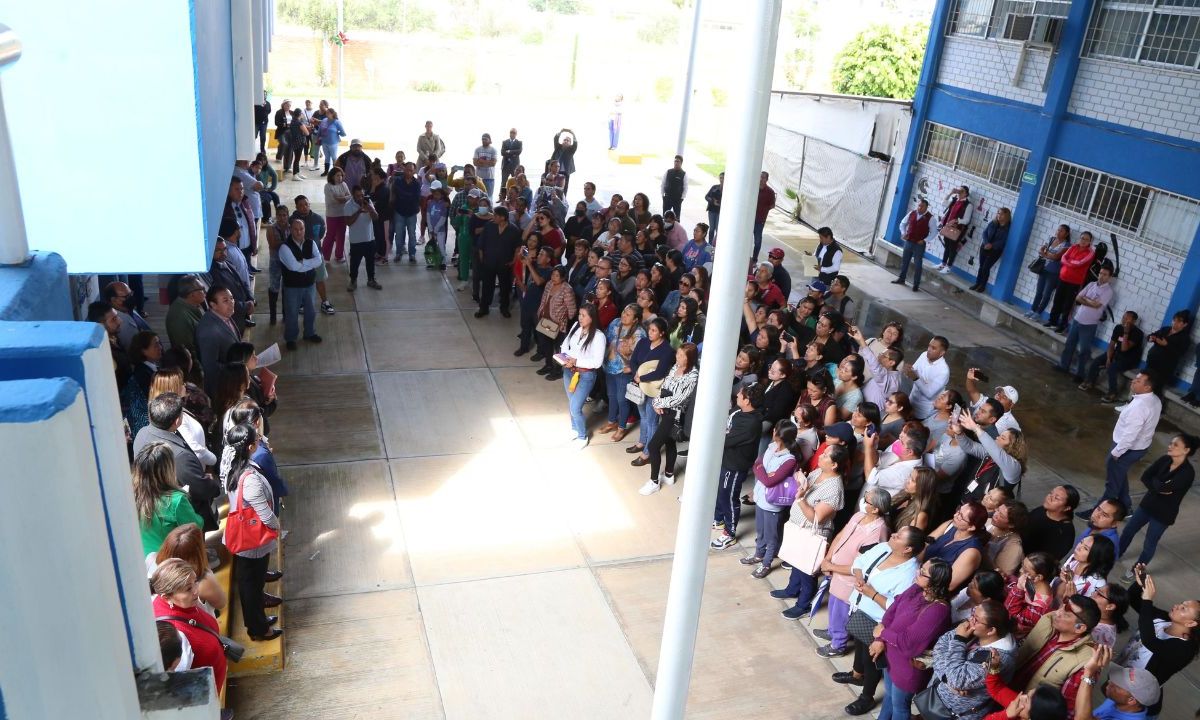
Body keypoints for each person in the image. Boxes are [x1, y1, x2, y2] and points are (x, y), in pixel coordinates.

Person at [831, 526, 925, 710]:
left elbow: (898, 608)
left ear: (907, 549)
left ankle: (867, 697)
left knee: (871, 659)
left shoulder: (908, 574)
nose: (892, 535)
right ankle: (857, 674)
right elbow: (859, 562)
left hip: (879, 621)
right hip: (860, 609)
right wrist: (859, 578)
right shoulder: (884, 548)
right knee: (859, 645)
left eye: (898, 537)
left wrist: (871, 593)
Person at [864, 558, 953, 719]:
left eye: (923, 572)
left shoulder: (938, 610)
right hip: (890, 655)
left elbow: (909, 643)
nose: (917, 572)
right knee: (889, 697)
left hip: (908, 667)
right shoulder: (917, 588)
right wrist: (880, 640)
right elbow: (892, 610)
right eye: (921, 568)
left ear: (935, 581)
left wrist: (883, 634)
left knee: (900, 707)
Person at [772, 444, 848, 618]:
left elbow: (816, 518)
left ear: (834, 464)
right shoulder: (818, 473)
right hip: (799, 529)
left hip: (812, 533)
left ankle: (804, 604)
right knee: (795, 561)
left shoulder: (834, 488)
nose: (820, 455)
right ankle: (792, 589)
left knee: (807, 569)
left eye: (826, 455)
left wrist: (800, 498)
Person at [222, 422, 282, 641]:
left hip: (244, 541)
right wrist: (276, 525)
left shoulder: (233, 465)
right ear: (248, 447)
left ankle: (257, 621)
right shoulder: (250, 480)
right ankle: (258, 629)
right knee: (252, 587)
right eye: (256, 439)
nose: (259, 441)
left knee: (251, 585)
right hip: (253, 543)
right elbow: (265, 514)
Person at [1118, 567, 1200, 719]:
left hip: (1138, 702)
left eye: (1183, 608)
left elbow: (1150, 641)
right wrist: (1140, 583)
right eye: (1181, 603)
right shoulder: (1164, 618)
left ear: (1191, 623)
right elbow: (1134, 599)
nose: (1177, 605)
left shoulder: (1185, 649)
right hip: (1120, 681)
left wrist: (1148, 600)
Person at [1078, 371, 1163, 518]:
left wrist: (1117, 452)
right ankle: (1126, 506)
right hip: (1138, 447)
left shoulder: (1140, 407)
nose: (1133, 381)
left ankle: (1098, 512)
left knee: (1112, 485)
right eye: (1135, 378)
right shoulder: (1154, 400)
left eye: (1138, 381)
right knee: (1119, 475)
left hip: (1126, 448)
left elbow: (1130, 435)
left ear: (1147, 387)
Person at [1118, 433, 1199, 574]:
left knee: (1149, 544)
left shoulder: (1187, 473)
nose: (1170, 446)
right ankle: (1116, 554)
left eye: (1175, 445)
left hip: (1163, 514)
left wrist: (1157, 484)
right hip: (1147, 505)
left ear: (1186, 450)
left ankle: (1136, 571)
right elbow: (1146, 477)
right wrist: (1159, 486)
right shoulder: (1164, 460)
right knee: (1128, 530)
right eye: (1171, 443)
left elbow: (1162, 486)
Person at [930, 599, 1019, 720]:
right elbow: (941, 645)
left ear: (991, 630)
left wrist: (959, 639)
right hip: (938, 699)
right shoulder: (978, 632)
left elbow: (956, 679)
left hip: (955, 713)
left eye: (976, 619)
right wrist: (945, 678)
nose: (970, 620)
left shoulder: (995, 657)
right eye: (973, 614)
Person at [1010, 595, 1100, 714]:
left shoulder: (1086, 662)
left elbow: (1065, 709)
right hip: (1005, 687)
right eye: (1061, 607)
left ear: (1079, 628)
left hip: (1024, 711)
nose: (1057, 613)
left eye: (1066, 614)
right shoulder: (1048, 620)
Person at [151, 559, 228, 690]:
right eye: (188, 589)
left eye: (195, 582)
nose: (196, 591)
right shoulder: (175, 636)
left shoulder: (183, 603)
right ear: (166, 597)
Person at [741, 421, 802, 577]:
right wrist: (763, 471)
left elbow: (769, 481)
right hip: (760, 497)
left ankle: (766, 563)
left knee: (771, 536)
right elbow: (757, 464)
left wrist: (762, 471)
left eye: (775, 430)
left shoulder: (789, 460)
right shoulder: (771, 447)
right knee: (760, 531)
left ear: (780, 436)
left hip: (772, 503)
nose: (773, 431)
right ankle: (758, 555)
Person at [638, 343, 699, 494]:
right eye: (677, 353)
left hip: (675, 413)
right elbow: (665, 386)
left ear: (689, 358)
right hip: (664, 409)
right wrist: (656, 401)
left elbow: (680, 399)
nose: (677, 357)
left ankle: (654, 482)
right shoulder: (675, 367)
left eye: (681, 355)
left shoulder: (693, 375)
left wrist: (658, 402)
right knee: (669, 441)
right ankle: (669, 474)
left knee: (653, 446)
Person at [712, 384, 767, 548]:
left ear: (747, 400)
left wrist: (722, 434)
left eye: (740, 395)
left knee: (728, 497)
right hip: (726, 460)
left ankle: (729, 533)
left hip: (735, 465)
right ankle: (719, 519)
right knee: (720, 492)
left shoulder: (751, 423)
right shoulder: (739, 412)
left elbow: (726, 440)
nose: (737, 396)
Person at [132, 441, 205, 556]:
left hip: (145, 562)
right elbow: (196, 526)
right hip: (172, 564)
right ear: (168, 470)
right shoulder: (177, 501)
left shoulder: (133, 497)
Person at [1054, 261, 1115, 381]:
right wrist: (1089, 301)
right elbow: (1077, 298)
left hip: (1089, 324)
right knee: (1069, 345)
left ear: (1110, 277)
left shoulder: (1108, 291)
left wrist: (1086, 299)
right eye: (1100, 273)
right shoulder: (1091, 284)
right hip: (1077, 319)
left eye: (1105, 274)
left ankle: (1079, 374)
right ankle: (1063, 366)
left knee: (1084, 350)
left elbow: (1097, 305)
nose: (1101, 276)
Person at [628, 318, 677, 462]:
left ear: (662, 333)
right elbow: (633, 360)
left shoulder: (667, 350)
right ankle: (642, 442)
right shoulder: (643, 342)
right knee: (643, 416)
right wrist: (636, 374)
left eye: (654, 330)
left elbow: (660, 372)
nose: (650, 332)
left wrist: (640, 377)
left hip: (655, 388)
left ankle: (648, 452)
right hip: (640, 385)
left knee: (652, 421)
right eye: (650, 329)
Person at [150, 524, 228, 615]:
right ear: (198, 552)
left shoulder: (151, 559)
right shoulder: (203, 581)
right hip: (200, 625)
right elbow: (222, 603)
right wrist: (207, 570)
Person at [558, 304, 606, 449]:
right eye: (579, 314)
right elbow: (565, 345)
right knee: (571, 401)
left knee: (575, 407)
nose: (580, 318)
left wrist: (576, 361)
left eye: (584, 315)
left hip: (585, 375)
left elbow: (597, 362)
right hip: (569, 371)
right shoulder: (575, 327)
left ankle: (582, 435)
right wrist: (567, 358)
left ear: (592, 318)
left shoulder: (599, 336)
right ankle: (574, 428)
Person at [1074, 645, 1161, 720]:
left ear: (1131, 700)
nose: (1109, 682)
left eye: (1117, 685)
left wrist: (1088, 673)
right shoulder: (1116, 701)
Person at [601, 304, 646, 443]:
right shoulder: (615, 323)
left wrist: (632, 368)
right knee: (611, 396)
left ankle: (621, 427)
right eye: (624, 311)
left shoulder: (639, 333)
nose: (624, 315)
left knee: (622, 399)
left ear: (635, 319)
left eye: (628, 314)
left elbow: (641, 355)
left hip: (624, 370)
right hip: (609, 367)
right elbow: (606, 340)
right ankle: (611, 421)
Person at [278, 218, 324, 351]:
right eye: (295, 229)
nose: (299, 232)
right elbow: (293, 266)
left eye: (301, 229)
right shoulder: (284, 247)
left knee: (311, 312)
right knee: (292, 313)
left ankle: (310, 333)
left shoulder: (311, 243)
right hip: (292, 287)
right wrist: (309, 263)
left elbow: (319, 261)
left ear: (305, 229)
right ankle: (291, 338)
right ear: (290, 230)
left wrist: (302, 263)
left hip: (309, 284)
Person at [1082, 311, 1144, 404]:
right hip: (1117, 353)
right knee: (1097, 361)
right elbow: (1111, 345)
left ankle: (1112, 394)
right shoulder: (1118, 328)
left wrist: (1126, 333)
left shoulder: (1138, 333)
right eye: (1124, 317)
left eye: (1127, 318)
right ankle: (1090, 381)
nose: (1124, 320)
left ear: (1134, 321)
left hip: (1129, 358)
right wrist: (1108, 358)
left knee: (1112, 368)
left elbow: (1124, 349)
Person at [474, 207, 521, 318]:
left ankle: (504, 308)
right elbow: (481, 243)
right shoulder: (489, 226)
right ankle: (484, 308)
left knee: (505, 287)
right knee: (487, 286)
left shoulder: (513, 230)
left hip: (505, 264)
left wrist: (513, 261)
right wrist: (482, 259)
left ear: (502, 217)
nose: (493, 217)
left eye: (495, 215)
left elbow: (517, 247)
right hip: (489, 263)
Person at [1047, 231, 1097, 333]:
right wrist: (1070, 262)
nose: (1083, 241)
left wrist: (1069, 262)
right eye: (1082, 238)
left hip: (1074, 282)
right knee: (1057, 300)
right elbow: (1063, 258)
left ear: (1090, 242)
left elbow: (1079, 263)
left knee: (1067, 305)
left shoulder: (1090, 253)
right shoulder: (1073, 247)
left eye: (1086, 239)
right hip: (1063, 278)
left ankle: (1062, 326)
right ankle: (1052, 321)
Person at [534, 266, 578, 382]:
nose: (553, 277)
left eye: (557, 275)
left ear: (563, 277)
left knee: (559, 349)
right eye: (553, 275)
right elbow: (544, 300)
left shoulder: (567, 289)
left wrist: (563, 320)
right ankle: (548, 365)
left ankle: (557, 370)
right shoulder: (549, 284)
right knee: (547, 345)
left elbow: (572, 310)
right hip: (546, 321)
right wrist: (540, 313)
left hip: (558, 324)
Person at [1025, 224, 1073, 320]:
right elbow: (1041, 250)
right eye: (1058, 230)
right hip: (1043, 269)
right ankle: (1032, 310)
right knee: (1039, 292)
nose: (1058, 232)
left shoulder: (1067, 245)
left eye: (1061, 231)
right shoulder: (1051, 239)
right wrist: (1048, 254)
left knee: (1046, 294)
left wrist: (1046, 254)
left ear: (1066, 234)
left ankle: (1038, 313)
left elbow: (1056, 257)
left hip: (1054, 273)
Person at [1022, 485, 1079, 561]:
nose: (1050, 497)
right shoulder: (1041, 510)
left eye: (1056, 498)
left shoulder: (1065, 532)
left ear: (1067, 508)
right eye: (1051, 493)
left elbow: (1048, 560)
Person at [343, 184, 381, 292]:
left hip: (369, 239)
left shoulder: (368, 203)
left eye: (362, 195)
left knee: (370, 262)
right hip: (356, 241)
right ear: (353, 195)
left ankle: (371, 280)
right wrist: (359, 211)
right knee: (355, 263)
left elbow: (376, 218)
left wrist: (370, 209)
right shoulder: (348, 205)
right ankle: (353, 281)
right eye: (358, 196)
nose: (360, 198)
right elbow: (348, 223)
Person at [1058, 534, 1115, 601]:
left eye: (1085, 548)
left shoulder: (1098, 584)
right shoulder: (1073, 558)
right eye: (1081, 542)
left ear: (1096, 556)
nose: (1079, 547)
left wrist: (1073, 596)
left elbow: (1088, 609)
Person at [905, 336, 951, 420]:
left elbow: (929, 393)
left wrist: (915, 378)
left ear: (942, 353)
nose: (929, 349)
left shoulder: (943, 371)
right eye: (929, 346)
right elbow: (913, 371)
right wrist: (908, 371)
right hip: (911, 401)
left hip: (923, 411)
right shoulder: (923, 355)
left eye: (933, 348)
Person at [893, 198, 933, 291]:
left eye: (922, 206)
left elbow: (934, 232)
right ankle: (901, 279)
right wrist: (903, 233)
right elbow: (902, 224)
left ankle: (916, 284)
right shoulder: (912, 213)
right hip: (909, 241)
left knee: (918, 264)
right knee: (905, 261)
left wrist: (925, 240)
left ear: (926, 207)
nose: (919, 207)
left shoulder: (931, 218)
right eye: (919, 205)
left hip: (919, 244)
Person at [1144, 309, 1193, 384]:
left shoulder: (1185, 338)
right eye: (1174, 320)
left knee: (1155, 389)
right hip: (1151, 363)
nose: (1175, 323)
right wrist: (1150, 338)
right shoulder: (1165, 329)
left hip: (1163, 369)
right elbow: (1151, 335)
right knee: (1143, 385)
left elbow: (1180, 353)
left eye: (1179, 321)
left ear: (1185, 324)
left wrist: (1166, 345)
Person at [971, 207, 1012, 291]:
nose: (998, 215)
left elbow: (1004, 240)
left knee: (986, 267)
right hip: (984, 247)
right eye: (998, 213)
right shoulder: (993, 222)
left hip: (995, 250)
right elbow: (984, 233)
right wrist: (986, 243)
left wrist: (992, 245)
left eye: (1001, 214)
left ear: (1006, 216)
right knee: (981, 266)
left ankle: (982, 286)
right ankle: (977, 283)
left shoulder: (1008, 228)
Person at [936, 186, 973, 274]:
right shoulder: (955, 200)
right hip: (948, 226)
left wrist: (957, 220)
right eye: (958, 190)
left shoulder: (968, 205)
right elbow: (943, 203)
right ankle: (943, 264)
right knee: (947, 246)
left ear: (966, 193)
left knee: (953, 248)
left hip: (957, 229)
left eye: (962, 191)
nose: (959, 192)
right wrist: (950, 193)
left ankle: (948, 267)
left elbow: (967, 220)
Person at [987, 499, 1027, 576]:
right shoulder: (988, 522)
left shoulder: (1014, 547)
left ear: (1011, 525)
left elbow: (1002, 574)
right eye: (997, 510)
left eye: (1001, 515)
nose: (995, 514)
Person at [322, 166, 352, 263]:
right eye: (337, 175)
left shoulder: (344, 184)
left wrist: (341, 198)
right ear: (332, 176)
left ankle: (339, 255)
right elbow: (334, 201)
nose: (340, 177)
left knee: (341, 235)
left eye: (341, 175)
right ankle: (325, 256)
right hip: (332, 215)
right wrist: (343, 198)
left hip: (342, 214)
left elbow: (350, 196)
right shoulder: (328, 186)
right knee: (330, 235)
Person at [752, 171, 775, 263]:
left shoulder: (770, 192)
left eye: (764, 178)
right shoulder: (752, 188)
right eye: (760, 177)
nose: (761, 179)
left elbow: (772, 205)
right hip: (749, 220)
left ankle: (754, 259)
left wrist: (764, 209)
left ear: (767, 179)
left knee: (757, 242)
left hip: (759, 220)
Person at [317, 108, 345, 176]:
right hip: (324, 142)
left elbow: (343, 133)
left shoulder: (337, 122)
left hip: (333, 143)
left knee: (334, 157)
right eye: (326, 113)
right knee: (326, 157)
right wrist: (318, 138)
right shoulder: (324, 120)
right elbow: (320, 130)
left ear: (332, 114)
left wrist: (337, 133)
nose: (326, 114)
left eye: (328, 113)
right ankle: (326, 171)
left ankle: (335, 172)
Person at [550, 128, 578, 194]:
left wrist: (572, 133)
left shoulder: (571, 150)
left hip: (565, 172)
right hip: (555, 171)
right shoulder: (558, 147)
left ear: (570, 143)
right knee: (552, 187)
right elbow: (555, 138)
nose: (566, 141)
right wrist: (561, 131)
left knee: (563, 190)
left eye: (568, 140)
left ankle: (562, 201)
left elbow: (575, 143)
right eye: (564, 140)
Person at [499, 128, 522, 199]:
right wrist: (513, 153)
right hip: (505, 165)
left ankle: (516, 197)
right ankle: (502, 197)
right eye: (511, 132)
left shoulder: (519, 142)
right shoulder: (505, 142)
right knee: (503, 183)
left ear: (516, 134)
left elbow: (519, 151)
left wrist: (509, 151)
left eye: (514, 133)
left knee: (516, 182)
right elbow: (502, 152)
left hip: (515, 166)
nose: (512, 134)